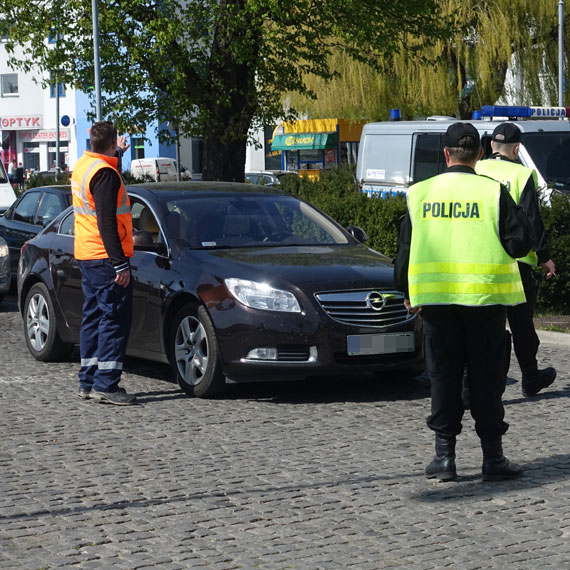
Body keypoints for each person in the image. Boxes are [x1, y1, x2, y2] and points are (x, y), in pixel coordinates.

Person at [394, 122, 533, 482]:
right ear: (480, 154)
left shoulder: (419, 194)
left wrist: (408, 294)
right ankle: (492, 458)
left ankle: (444, 458)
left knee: (443, 377)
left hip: (436, 304)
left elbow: (404, 254)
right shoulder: (493, 192)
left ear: (445, 154)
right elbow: (520, 243)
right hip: (485, 301)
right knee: (487, 381)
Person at [476, 122, 556, 397]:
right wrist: (545, 257)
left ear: (490, 147)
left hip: (480, 261)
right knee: (522, 325)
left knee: (486, 326)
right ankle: (530, 378)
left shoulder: (475, 170)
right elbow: (532, 220)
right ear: (517, 148)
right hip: (516, 263)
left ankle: (484, 384)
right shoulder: (522, 175)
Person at [71, 121, 136, 405]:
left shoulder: (84, 165)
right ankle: (106, 385)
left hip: (87, 253)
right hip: (105, 257)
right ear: (111, 143)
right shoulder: (105, 174)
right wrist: (120, 264)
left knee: (94, 317)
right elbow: (107, 222)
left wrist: (117, 154)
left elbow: (102, 185)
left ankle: (87, 381)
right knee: (114, 319)